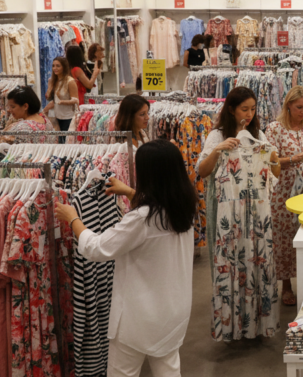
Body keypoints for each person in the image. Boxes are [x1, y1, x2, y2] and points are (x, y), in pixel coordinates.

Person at [54, 139, 198, 377]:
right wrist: (130, 192)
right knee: (169, 370)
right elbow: (155, 220)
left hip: (138, 317)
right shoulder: (184, 207)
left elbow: (97, 248)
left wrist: (73, 218)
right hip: (173, 311)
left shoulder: (142, 219)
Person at [265, 86, 303, 305]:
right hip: (283, 191)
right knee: (284, 238)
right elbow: (270, 161)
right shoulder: (274, 129)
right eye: (299, 107)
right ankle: (286, 286)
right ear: (288, 105)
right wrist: (295, 159)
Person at [198, 86, 268, 179]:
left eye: (253, 109)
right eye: (244, 109)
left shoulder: (258, 135)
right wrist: (216, 151)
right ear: (231, 110)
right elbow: (202, 172)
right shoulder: (217, 136)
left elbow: (270, 172)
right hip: (225, 193)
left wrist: (273, 159)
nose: (250, 114)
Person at [42, 56, 79, 143]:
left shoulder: (70, 81)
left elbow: (76, 100)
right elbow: (48, 97)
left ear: (64, 67)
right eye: (53, 66)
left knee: (67, 142)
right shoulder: (53, 80)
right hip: (55, 115)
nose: (55, 68)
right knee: (58, 141)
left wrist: (62, 102)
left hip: (68, 116)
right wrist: (50, 85)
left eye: (58, 66)